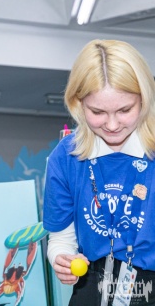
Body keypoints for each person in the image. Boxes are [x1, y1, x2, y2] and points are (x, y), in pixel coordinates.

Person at [43, 39, 155, 305]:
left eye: (125, 110)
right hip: (92, 286)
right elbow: (61, 238)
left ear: (144, 99)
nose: (112, 125)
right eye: (98, 112)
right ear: (78, 103)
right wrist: (62, 259)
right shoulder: (66, 156)